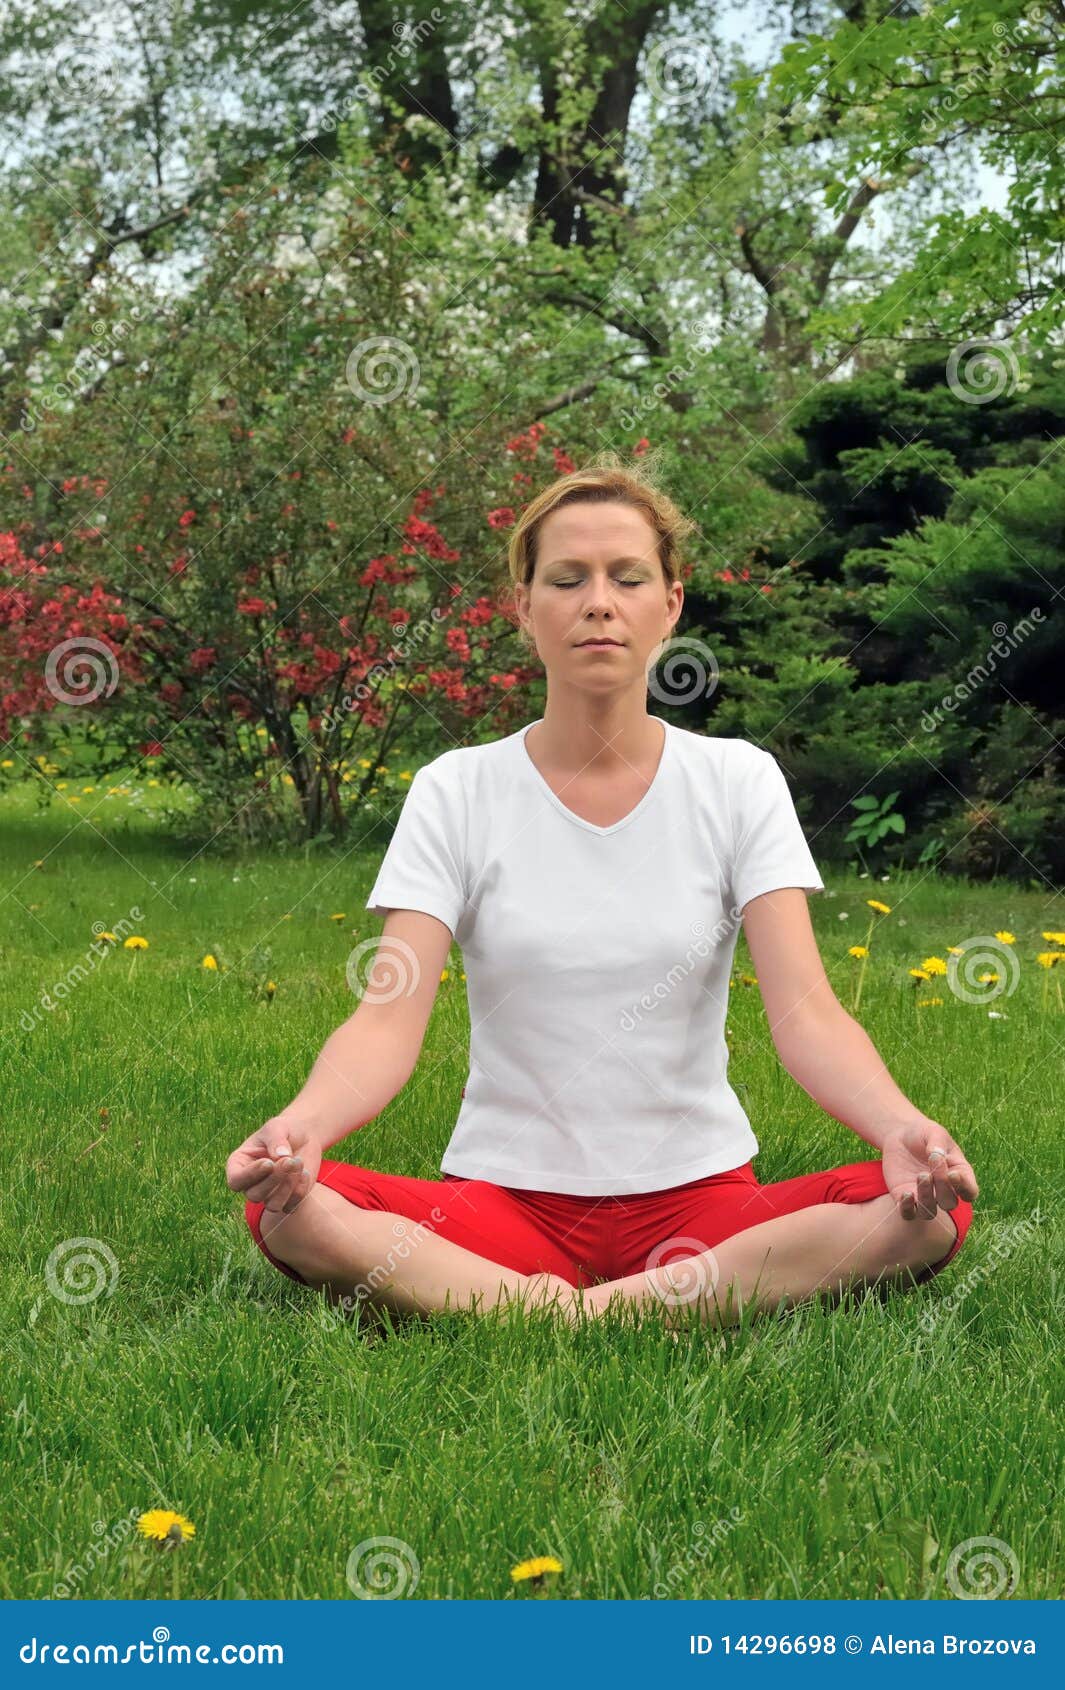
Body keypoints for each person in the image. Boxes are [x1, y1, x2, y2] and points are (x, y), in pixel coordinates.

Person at [227, 454, 978, 1332]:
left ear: (671, 605)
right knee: (287, 1205)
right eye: (566, 578)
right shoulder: (457, 788)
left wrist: (897, 1126)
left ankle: (548, 1317)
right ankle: (612, 1309)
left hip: (702, 1213)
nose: (598, 602)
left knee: (928, 1208)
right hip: (504, 1211)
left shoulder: (737, 780)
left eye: (628, 577)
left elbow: (806, 1013)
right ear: (524, 607)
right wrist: (302, 1127)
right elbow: (387, 1018)